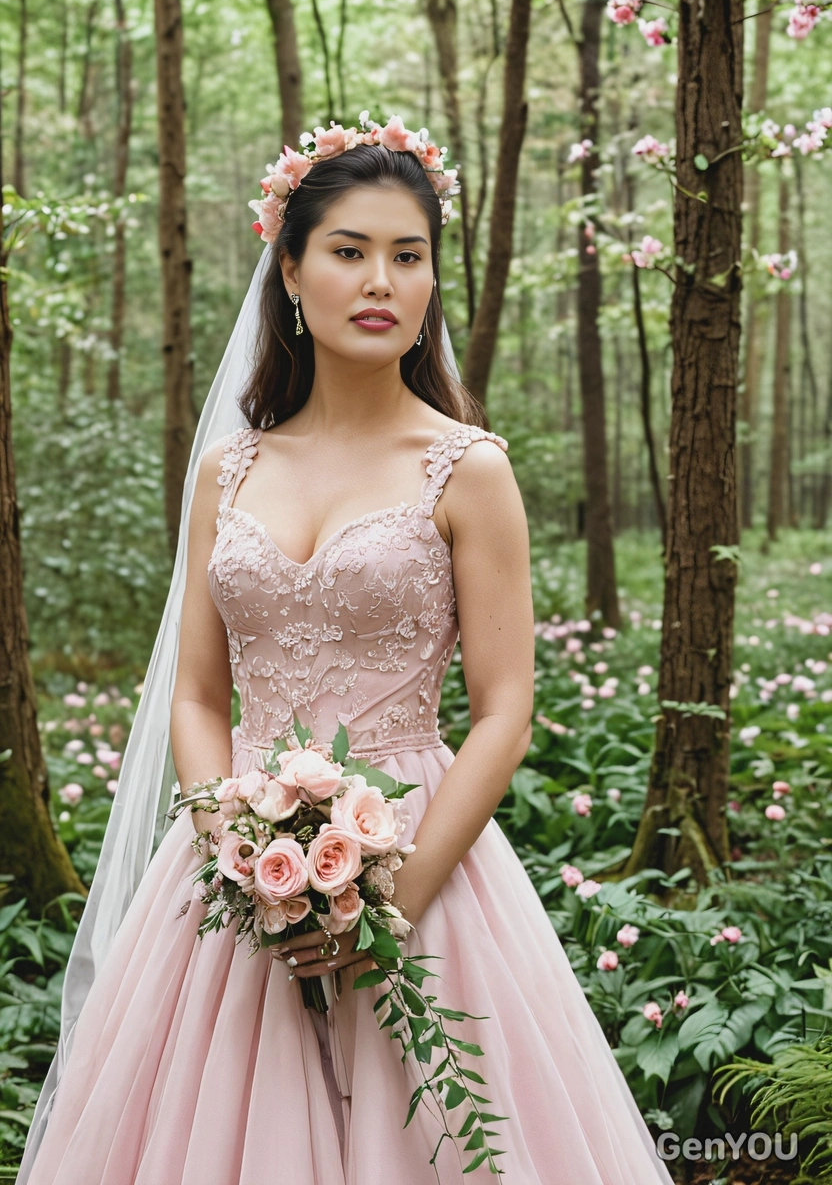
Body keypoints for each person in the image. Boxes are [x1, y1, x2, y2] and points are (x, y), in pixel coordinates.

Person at [19, 114, 674, 1184]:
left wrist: (393, 897)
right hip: (237, 866)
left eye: (407, 256)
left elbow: (505, 709)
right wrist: (229, 844)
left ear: (429, 285)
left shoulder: (468, 469)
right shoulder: (227, 473)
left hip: (420, 849)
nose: (381, 280)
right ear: (289, 271)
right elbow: (194, 693)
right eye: (349, 250)